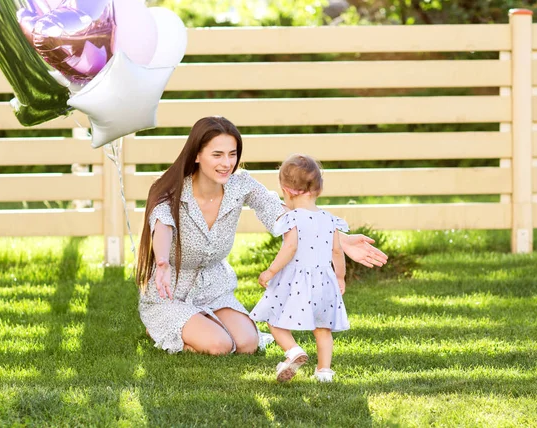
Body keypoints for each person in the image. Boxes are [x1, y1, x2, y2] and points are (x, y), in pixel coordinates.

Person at [136, 116, 388, 355]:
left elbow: (278, 211)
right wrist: (162, 262)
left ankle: (201, 325)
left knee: (247, 343)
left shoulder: (240, 185)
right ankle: (162, 327)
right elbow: (163, 224)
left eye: (232, 154)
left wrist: (340, 240)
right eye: (217, 154)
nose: (227, 163)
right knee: (219, 346)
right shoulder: (173, 190)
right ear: (198, 155)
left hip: (214, 288)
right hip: (171, 292)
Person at [250, 154, 348, 382]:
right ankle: (324, 372)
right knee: (323, 328)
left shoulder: (291, 218)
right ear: (319, 189)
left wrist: (271, 271)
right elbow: (337, 252)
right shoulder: (329, 219)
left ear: (287, 190)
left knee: (273, 318)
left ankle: (293, 351)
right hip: (325, 282)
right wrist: (340, 278)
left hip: (295, 281)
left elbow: (290, 247)